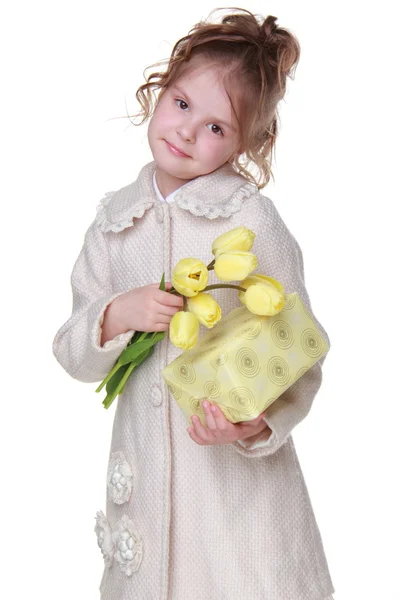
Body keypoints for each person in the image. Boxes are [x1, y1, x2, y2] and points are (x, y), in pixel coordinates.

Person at [52, 7, 335, 600]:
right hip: (148, 490)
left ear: (249, 142)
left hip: (235, 498)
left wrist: (257, 422)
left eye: (216, 127)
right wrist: (117, 314)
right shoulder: (114, 222)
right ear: (159, 90)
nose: (186, 132)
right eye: (182, 105)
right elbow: (73, 352)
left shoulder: (250, 219)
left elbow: (299, 349)